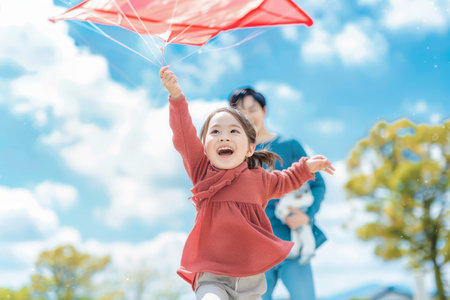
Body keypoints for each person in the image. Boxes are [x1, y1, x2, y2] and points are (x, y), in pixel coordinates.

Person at [160, 66, 334, 300]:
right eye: (215, 132)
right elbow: (184, 135)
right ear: (204, 145)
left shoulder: (260, 175)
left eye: (234, 130)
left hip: (260, 261)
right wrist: (176, 97)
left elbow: (287, 180)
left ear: (251, 148)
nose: (224, 136)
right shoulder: (203, 170)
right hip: (214, 271)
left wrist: (306, 168)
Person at [229, 88, 327, 300]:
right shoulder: (233, 156)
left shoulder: (289, 145)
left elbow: (318, 184)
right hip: (253, 250)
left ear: (264, 110)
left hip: (291, 241)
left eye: (252, 109)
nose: (247, 116)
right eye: (239, 112)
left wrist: (307, 215)